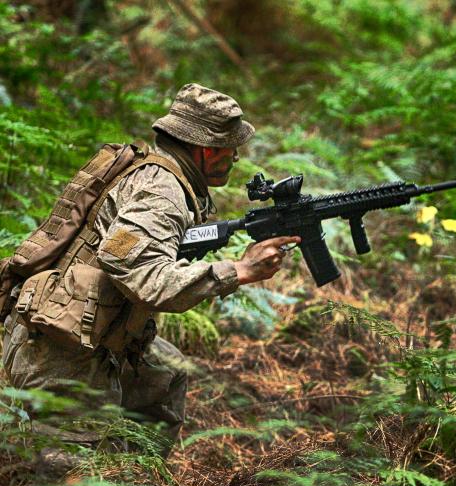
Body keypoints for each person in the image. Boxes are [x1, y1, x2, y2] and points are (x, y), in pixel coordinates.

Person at [1, 83, 300, 460]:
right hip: (59, 351)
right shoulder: (161, 192)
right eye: (230, 149)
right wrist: (238, 270)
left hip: (89, 333)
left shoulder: (164, 175)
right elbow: (139, 272)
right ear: (206, 150)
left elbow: (125, 253)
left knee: (165, 375)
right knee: (72, 476)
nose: (235, 157)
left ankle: (136, 479)